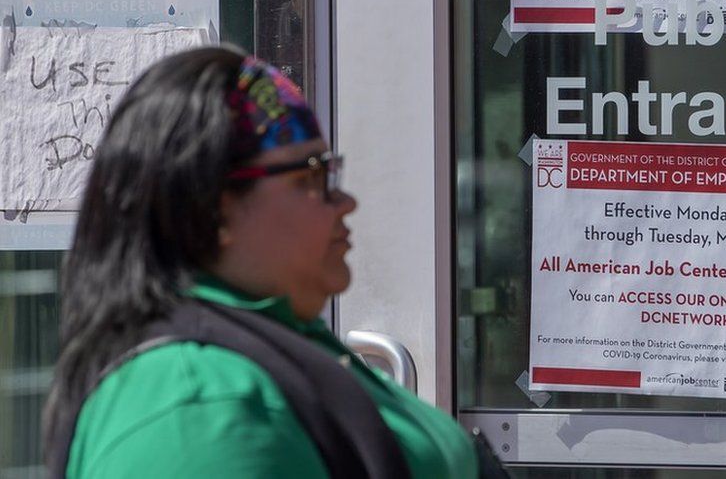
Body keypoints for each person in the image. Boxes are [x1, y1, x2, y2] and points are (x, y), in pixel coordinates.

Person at [42, 47, 483, 478]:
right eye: (312, 176)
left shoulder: (268, 337)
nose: (345, 201)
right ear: (215, 208)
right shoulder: (196, 408)